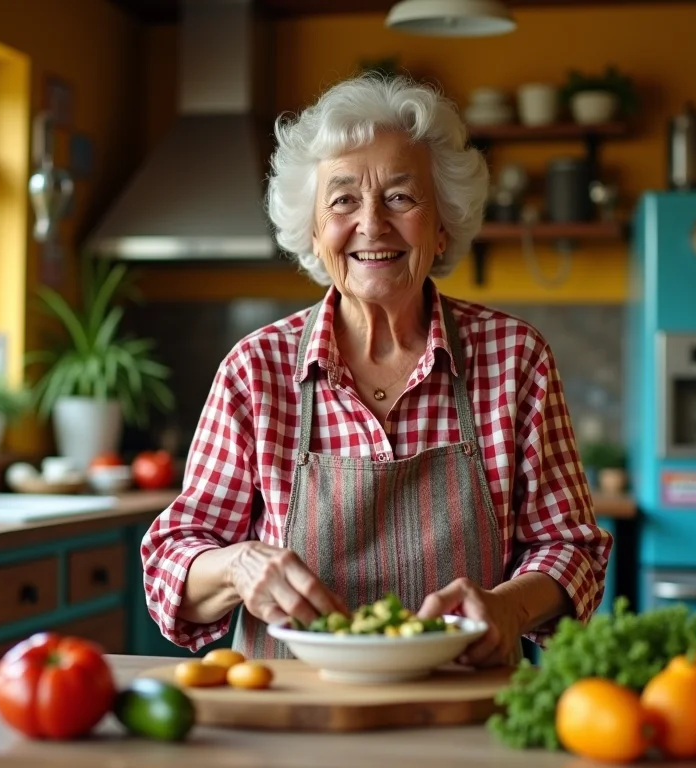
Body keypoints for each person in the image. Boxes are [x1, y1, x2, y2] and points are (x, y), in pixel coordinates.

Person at [140, 73, 612, 667]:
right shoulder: (256, 370)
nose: (371, 223)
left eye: (400, 196)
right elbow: (171, 558)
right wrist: (240, 566)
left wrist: (507, 608)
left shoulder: (514, 358)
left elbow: (570, 548)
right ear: (314, 232)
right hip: (293, 720)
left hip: (464, 712)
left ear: (442, 227)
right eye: (342, 199)